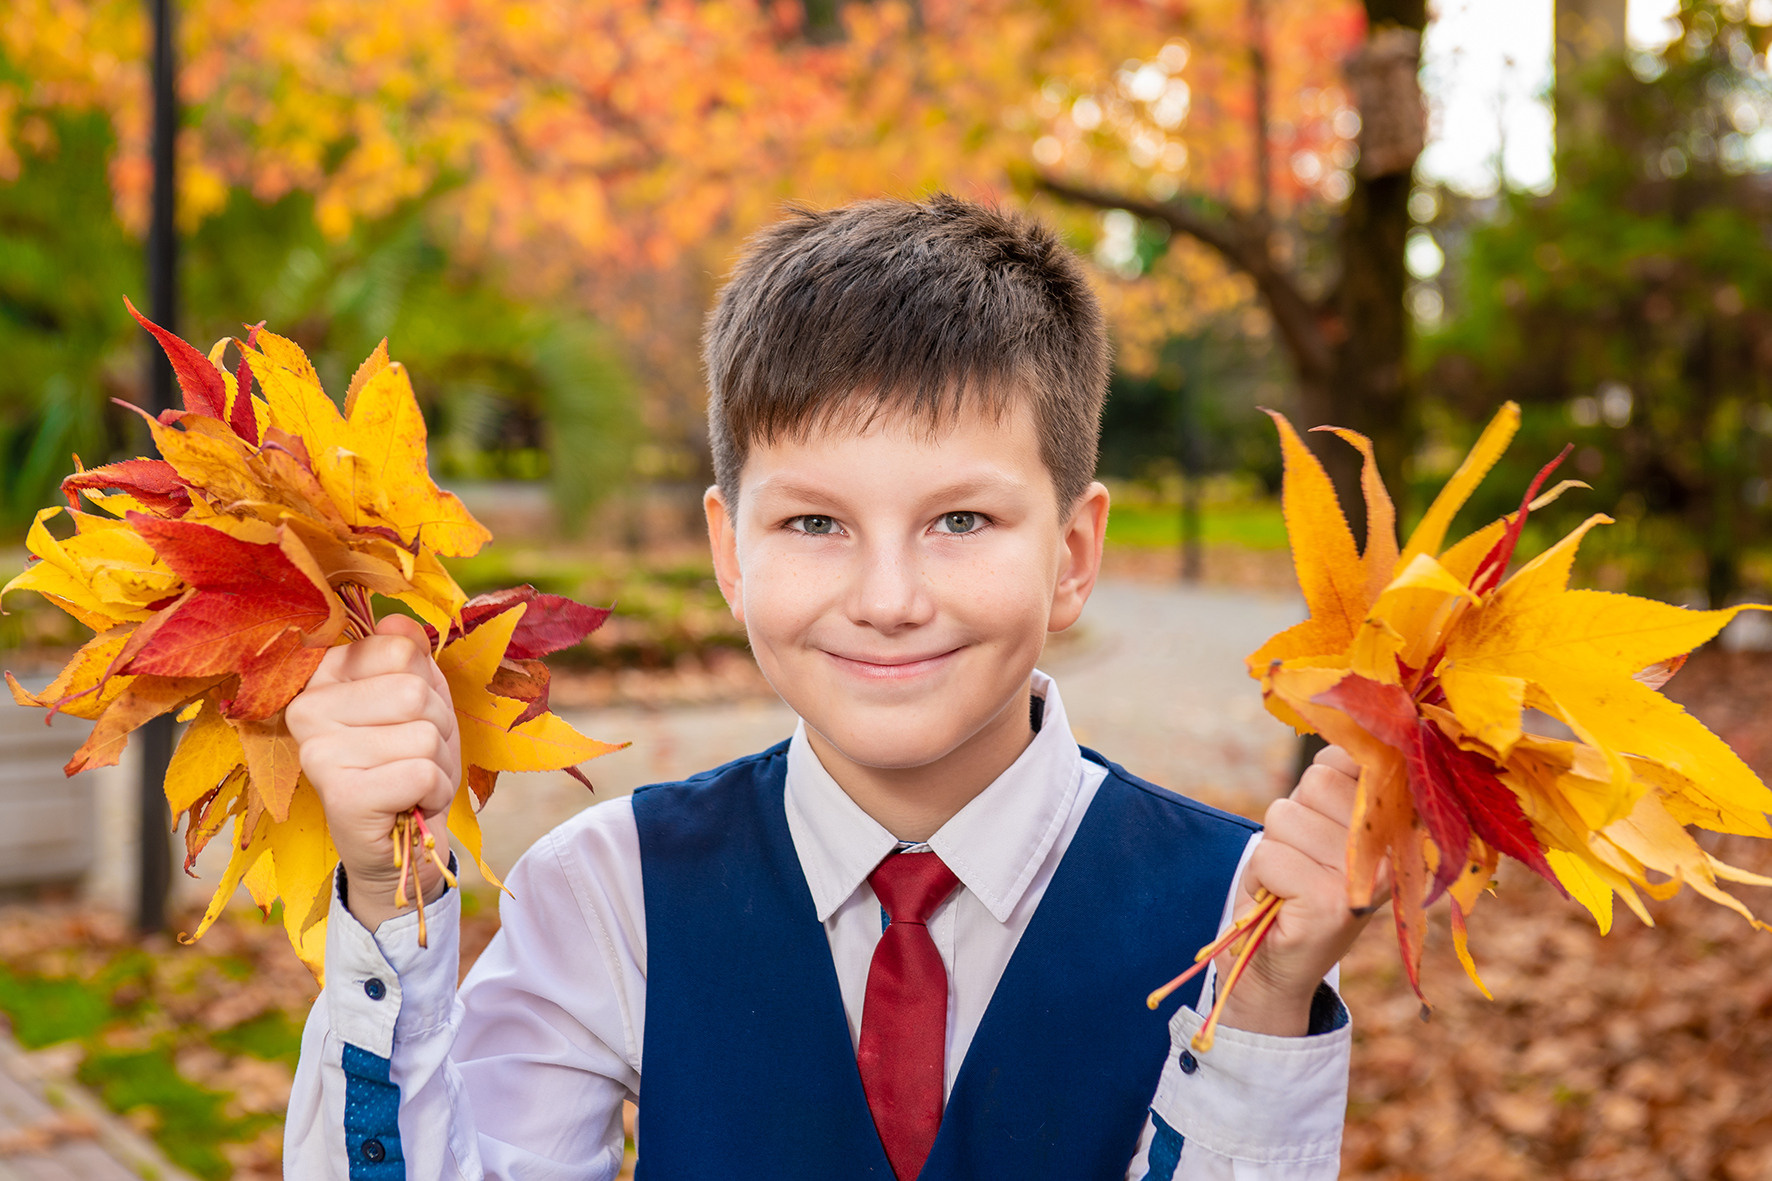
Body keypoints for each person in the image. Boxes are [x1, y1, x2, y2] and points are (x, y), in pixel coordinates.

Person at [282, 194, 1374, 1180]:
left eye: (961, 520)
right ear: (729, 550)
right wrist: (390, 899)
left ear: (1072, 555)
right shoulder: (613, 889)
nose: (887, 596)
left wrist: (1265, 1007)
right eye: (814, 523)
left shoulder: (1235, 911)